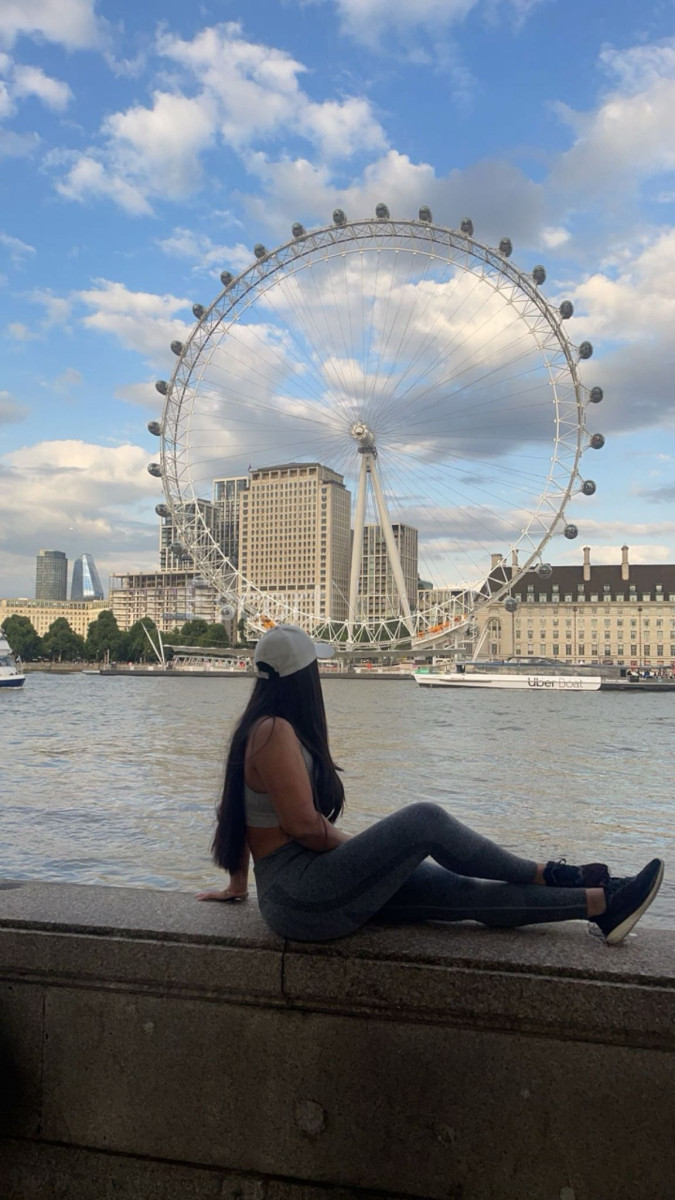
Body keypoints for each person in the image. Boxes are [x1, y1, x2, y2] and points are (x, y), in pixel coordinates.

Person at [197, 625, 664, 946]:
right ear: (304, 677)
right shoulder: (273, 730)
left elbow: (234, 811)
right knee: (424, 820)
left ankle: (601, 904)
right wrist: (373, 852)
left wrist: (238, 884)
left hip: (306, 895)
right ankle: (550, 872)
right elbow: (304, 827)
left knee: (462, 893)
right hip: (302, 896)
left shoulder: (263, 727)